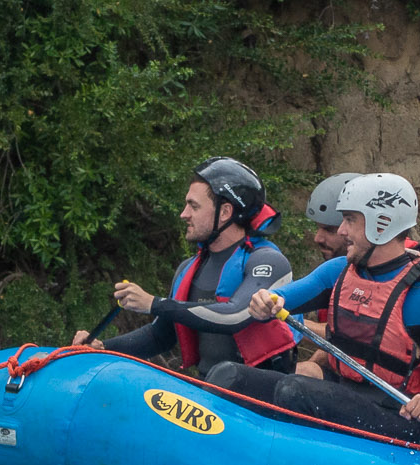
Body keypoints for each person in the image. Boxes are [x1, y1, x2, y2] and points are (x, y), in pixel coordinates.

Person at [207, 173, 420, 442]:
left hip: (400, 418)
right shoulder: (338, 271)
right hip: (343, 393)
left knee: (294, 389)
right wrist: (267, 301)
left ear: (381, 225)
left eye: (350, 220)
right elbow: (282, 297)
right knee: (228, 375)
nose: (342, 230)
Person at [74, 157, 297, 375]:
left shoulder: (267, 261)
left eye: (193, 206)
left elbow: (235, 315)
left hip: (259, 397)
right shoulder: (188, 268)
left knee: (229, 376)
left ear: (226, 212)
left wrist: (155, 303)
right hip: (209, 393)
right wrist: (102, 348)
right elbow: (160, 336)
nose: (184, 214)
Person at [293, 173, 357, 380]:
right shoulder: (337, 271)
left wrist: (294, 323)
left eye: (328, 230)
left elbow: (354, 338)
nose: (317, 238)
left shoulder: (384, 277)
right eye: (318, 228)